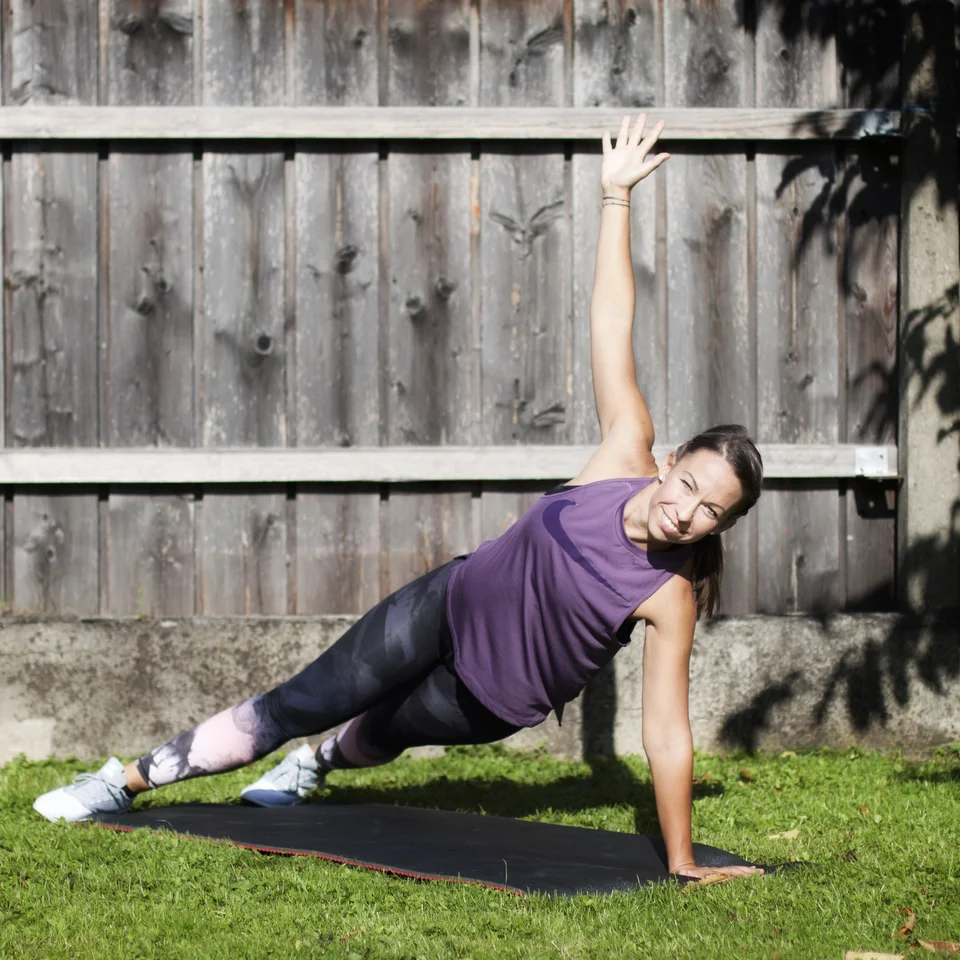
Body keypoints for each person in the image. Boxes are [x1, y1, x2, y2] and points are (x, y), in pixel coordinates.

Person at [34, 115, 763, 882]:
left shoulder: (669, 594)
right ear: (672, 460)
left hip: (489, 696)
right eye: (689, 486)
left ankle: (314, 766)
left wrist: (680, 859)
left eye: (712, 511)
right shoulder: (625, 450)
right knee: (304, 698)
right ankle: (123, 781)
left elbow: (667, 732)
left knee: (377, 735)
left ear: (725, 522)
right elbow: (612, 324)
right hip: (446, 600)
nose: (687, 512)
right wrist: (615, 198)